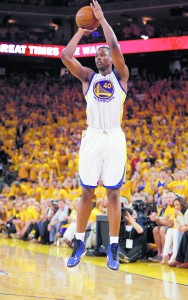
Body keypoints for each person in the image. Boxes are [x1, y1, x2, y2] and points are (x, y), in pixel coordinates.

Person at [61, 0, 129, 271]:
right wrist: (81, 30)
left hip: (114, 136)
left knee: (113, 193)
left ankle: (113, 246)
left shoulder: (121, 77)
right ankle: (78, 242)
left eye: (104, 54)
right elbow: (66, 56)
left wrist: (102, 20)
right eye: (97, 55)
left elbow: (115, 46)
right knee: (86, 191)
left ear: (111, 59)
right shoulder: (88, 77)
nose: (100, 57)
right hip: (92, 137)